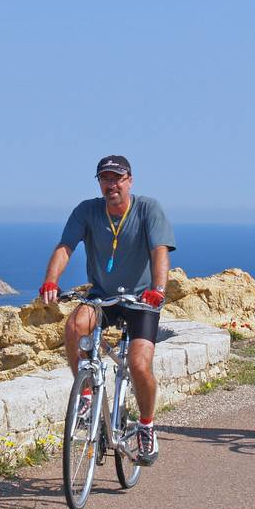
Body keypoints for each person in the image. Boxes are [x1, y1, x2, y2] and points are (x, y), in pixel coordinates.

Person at [40, 155, 176, 465]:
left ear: (130, 180)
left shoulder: (147, 209)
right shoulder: (87, 211)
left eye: (117, 178)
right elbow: (65, 247)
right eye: (105, 178)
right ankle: (87, 398)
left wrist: (158, 289)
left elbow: (160, 250)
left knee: (140, 365)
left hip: (142, 301)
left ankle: (146, 426)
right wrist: (50, 281)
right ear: (99, 183)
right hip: (103, 296)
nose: (111, 184)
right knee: (75, 327)